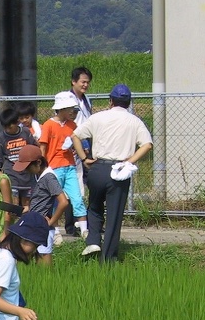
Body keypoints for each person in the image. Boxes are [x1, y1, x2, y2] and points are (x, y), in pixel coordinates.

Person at [72, 83, 153, 262]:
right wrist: (129, 161)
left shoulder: (98, 117)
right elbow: (147, 144)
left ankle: (93, 240)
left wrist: (84, 158)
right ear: (128, 102)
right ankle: (108, 258)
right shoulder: (134, 121)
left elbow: (75, 135)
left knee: (94, 207)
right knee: (114, 216)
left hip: (97, 168)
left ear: (110, 101)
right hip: (119, 171)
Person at [39, 92, 87, 238]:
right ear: (61, 109)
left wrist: (82, 155)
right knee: (56, 200)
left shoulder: (72, 125)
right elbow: (43, 147)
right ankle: (54, 230)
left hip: (70, 166)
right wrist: (43, 166)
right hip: (54, 168)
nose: (71, 111)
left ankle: (85, 230)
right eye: (68, 108)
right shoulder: (48, 125)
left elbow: (78, 142)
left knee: (77, 198)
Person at [12, 144, 69, 265]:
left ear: (38, 162)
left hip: (43, 226)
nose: (26, 171)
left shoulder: (49, 178)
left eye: (28, 167)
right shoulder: (37, 176)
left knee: (43, 257)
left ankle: (48, 283)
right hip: (35, 223)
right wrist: (23, 210)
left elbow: (63, 202)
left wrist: (51, 221)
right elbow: (39, 202)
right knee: (34, 257)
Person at [66, 66, 94, 235]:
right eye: (83, 82)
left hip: (86, 144)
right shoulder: (69, 99)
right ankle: (71, 225)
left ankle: (87, 222)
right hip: (73, 145)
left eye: (87, 82)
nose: (85, 85)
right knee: (73, 186)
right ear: (74, 82)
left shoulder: (86, 99)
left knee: (88, 184)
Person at [0, 107, 37, 208]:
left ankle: (25, 222)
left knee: (27, 204)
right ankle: (14, 222)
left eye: (10, 127)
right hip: (11, 174)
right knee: (14, 203)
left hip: (27, 175)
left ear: (17, 122)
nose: (7, 130)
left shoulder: (25, 132)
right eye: (5, 127)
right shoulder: (1, 137)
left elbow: (33, 148)